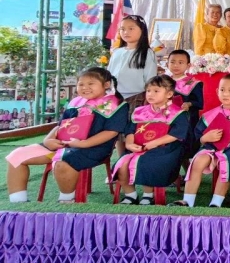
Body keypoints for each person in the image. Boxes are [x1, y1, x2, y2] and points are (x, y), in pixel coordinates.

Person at [5, 68, 128, 203]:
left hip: (93, 148)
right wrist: (48, 140)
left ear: (106, 84)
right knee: (17, 156)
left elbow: (111, 132)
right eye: (81, 84)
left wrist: (83, 144)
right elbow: (60, 125)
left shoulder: (117, 105)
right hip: (62, 145)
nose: (85, 87)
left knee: (63, 162)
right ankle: (18, 202)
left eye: (91, 84)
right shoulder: (76, 103)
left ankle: (66, 200)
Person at [170, 74, 230, 208]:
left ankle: (216, 202)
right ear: (217, 91)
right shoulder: (209, 115)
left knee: (225, 161)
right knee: (198, 160)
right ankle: (187, 201)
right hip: (211, 148)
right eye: (222, 90)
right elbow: (199, 138)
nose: (225, 94)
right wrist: (206, 138)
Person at [113, 75, 189, 205]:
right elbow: (130, 130)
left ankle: (148, 195)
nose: (150, 94)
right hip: (138, 147)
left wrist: (155, 143)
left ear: (169, 94)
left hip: (165, 149)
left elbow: (177, 134)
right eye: (148, 90)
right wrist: (129, 144)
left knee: (148, 162)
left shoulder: (177, 112)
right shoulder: (139, 111)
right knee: (122, 164)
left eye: (156, 91)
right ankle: (130, 195)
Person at [108, 15, 158, 157]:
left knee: (132, 130)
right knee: (118, 130)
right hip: (116, 97)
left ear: (142, 30)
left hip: (136, 97)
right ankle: (120, 160)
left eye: (131, 28)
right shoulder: (117, 52)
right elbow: (109, 74)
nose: (126, 32)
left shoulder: (147, 53)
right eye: (122, 29)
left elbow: (150, 78)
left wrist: (149, 98)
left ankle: (132, 160)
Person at [168, 50, 204, 166]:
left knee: (184, 148)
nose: (176, 65)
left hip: (187, 121)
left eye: (180, 62)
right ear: (167, 64)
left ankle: (188, 172)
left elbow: (199, 102)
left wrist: (189, 104)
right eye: (172, 62)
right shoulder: (164, 82)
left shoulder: (192, 83)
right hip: (168, 120)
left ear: (188, 65)